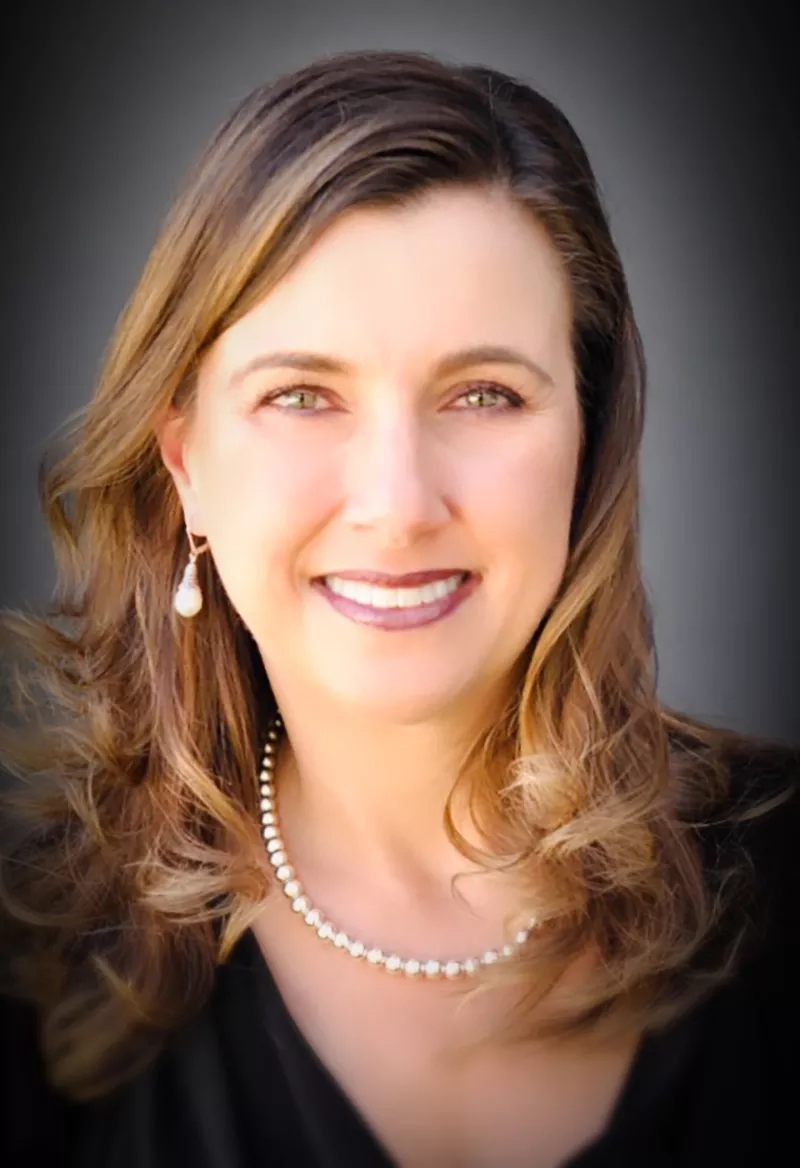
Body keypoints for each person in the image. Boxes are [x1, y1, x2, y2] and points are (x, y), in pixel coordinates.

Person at [0, 48, 797, 1168]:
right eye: (301, 396)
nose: (396, 504)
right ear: (184, 466)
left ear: (587, 436)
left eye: (482, 394)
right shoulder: (29, 972)